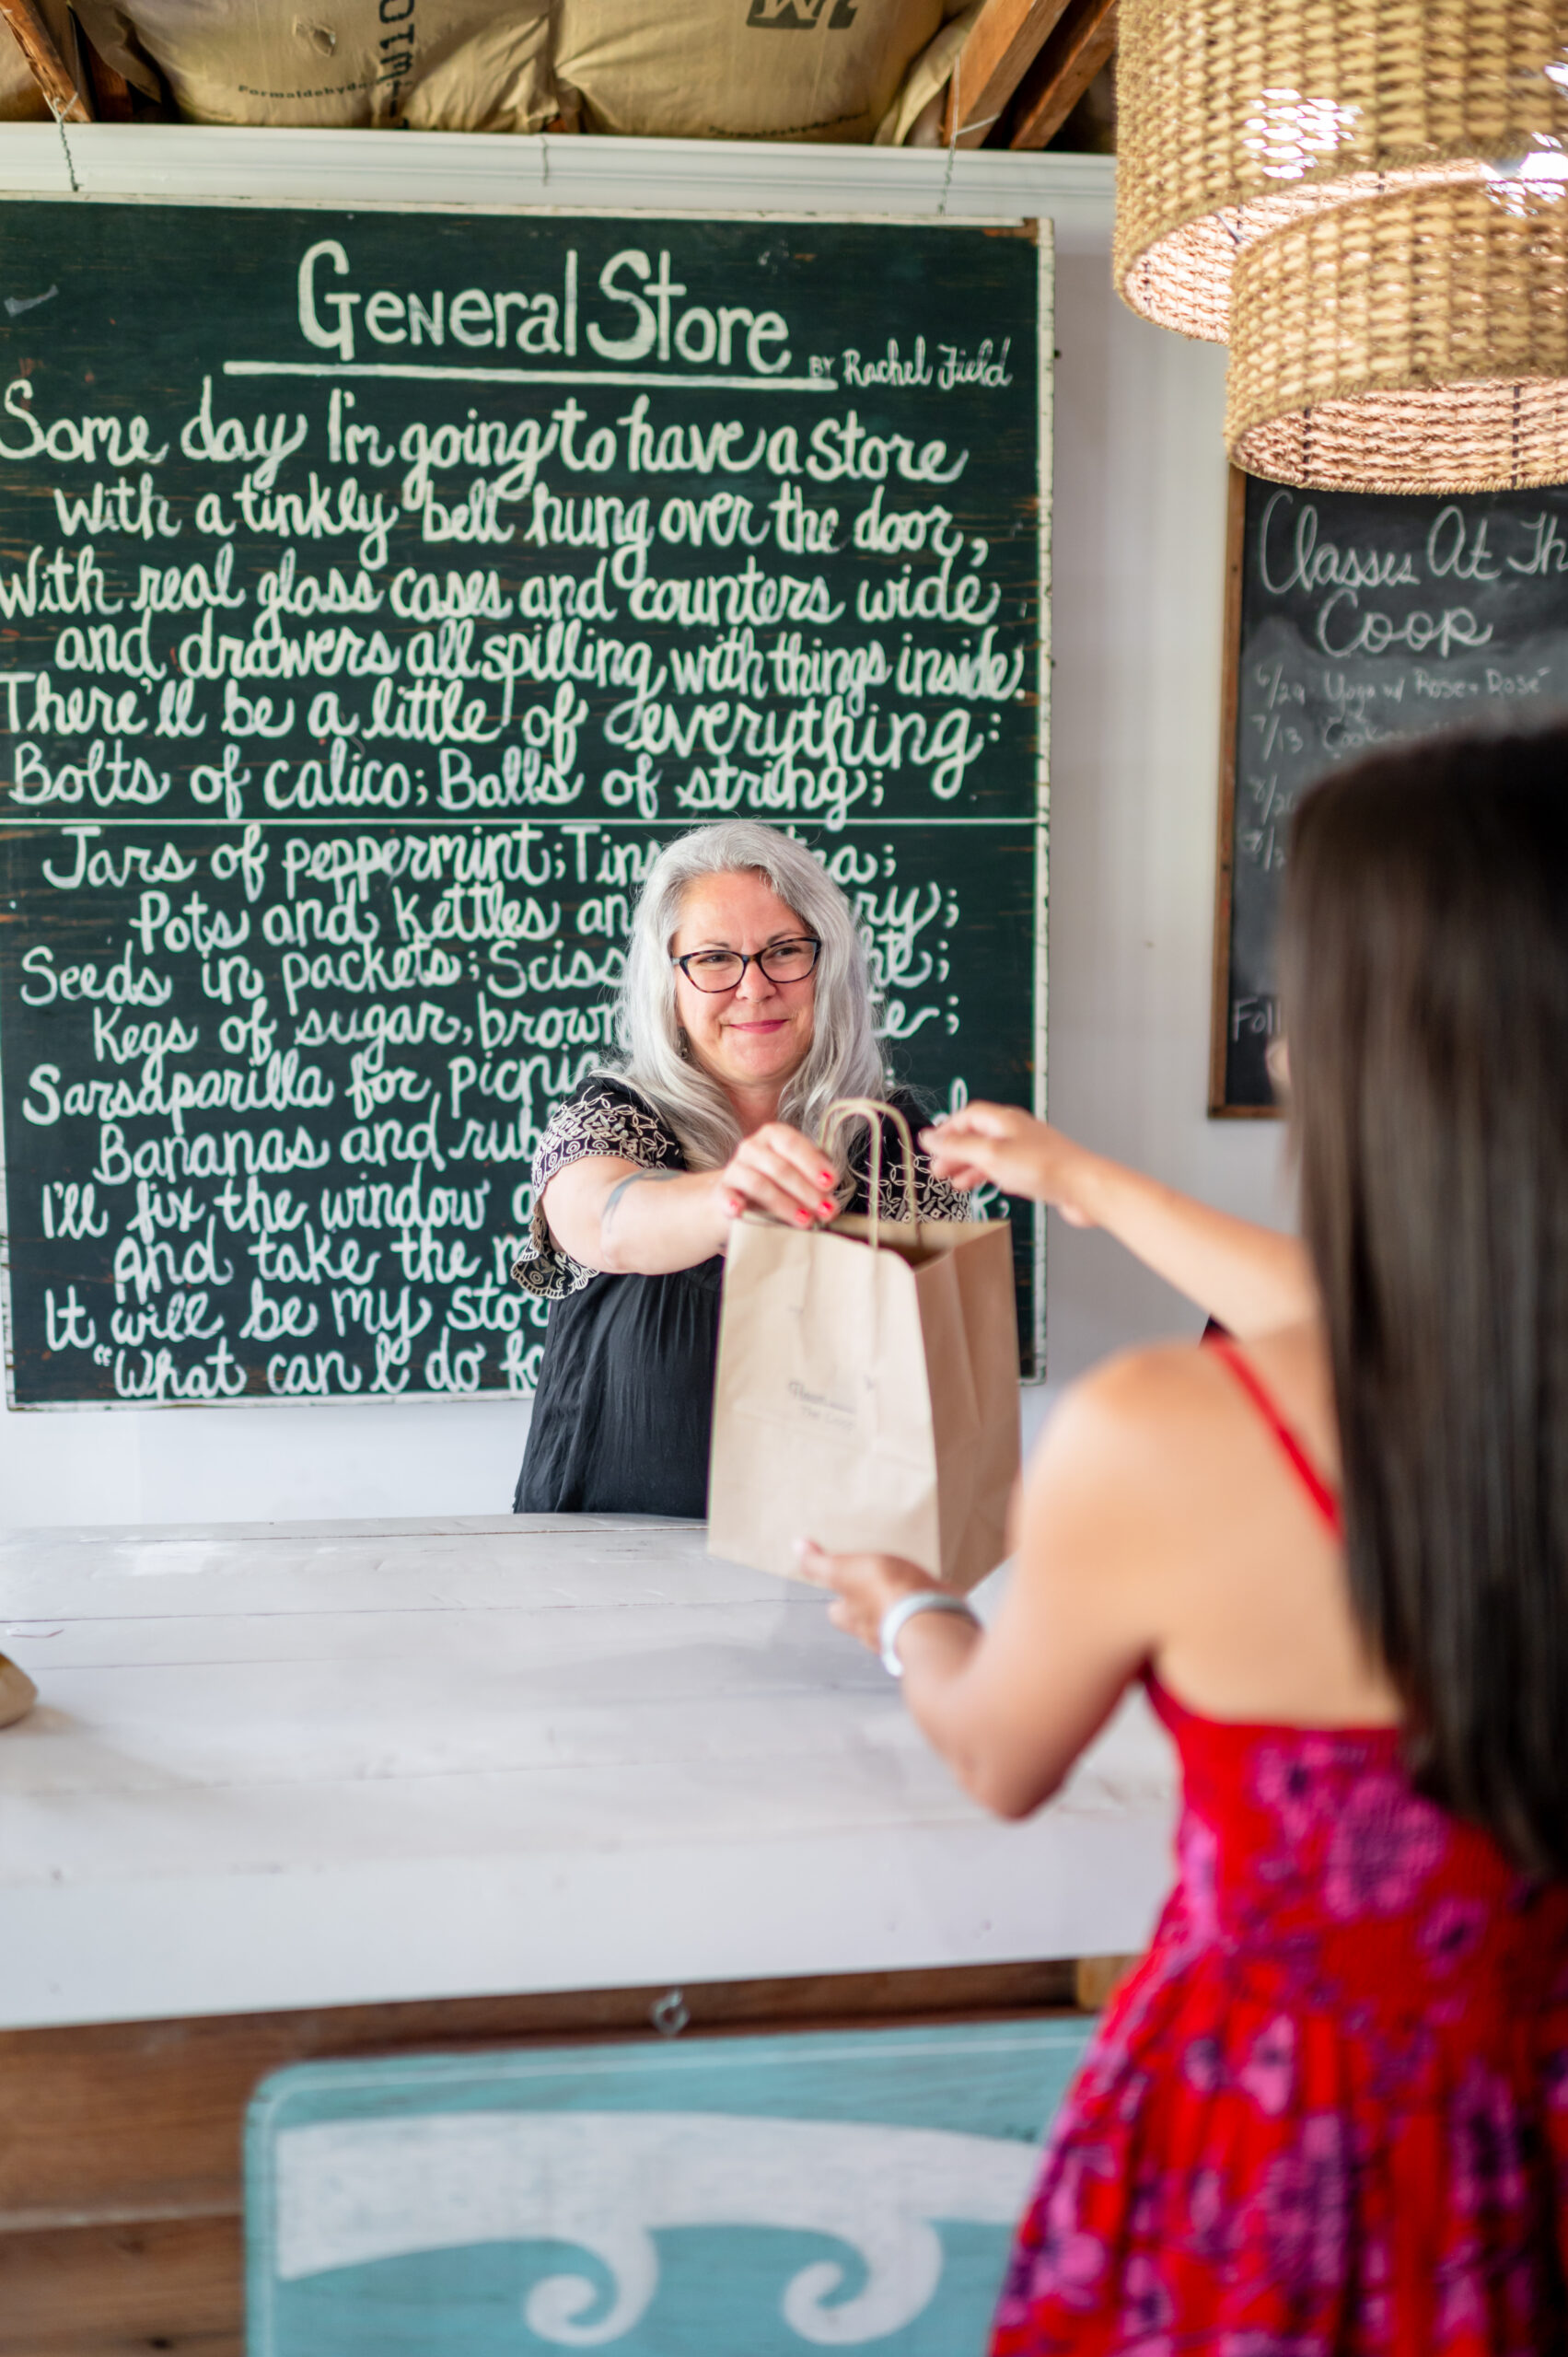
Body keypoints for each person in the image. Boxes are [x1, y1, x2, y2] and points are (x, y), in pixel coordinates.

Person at [801, 726, 1568, 2351]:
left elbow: (1001, 1757)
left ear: (1366, 1052)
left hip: (1281, 2169)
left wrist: (905, 1611)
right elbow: (1414, 1312)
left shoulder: (1169, 1433)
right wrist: (1078, 1180)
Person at [513, 820, 969, 1518]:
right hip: (601, 1580)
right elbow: (604, 1221)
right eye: (714, 959)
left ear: (831, 965)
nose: (753, 989)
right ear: (668, 980)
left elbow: (930, 1387)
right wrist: (727, 1197)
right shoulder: (611, 1116)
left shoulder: (898, 1143)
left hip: (824, 1582)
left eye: (784, 952)